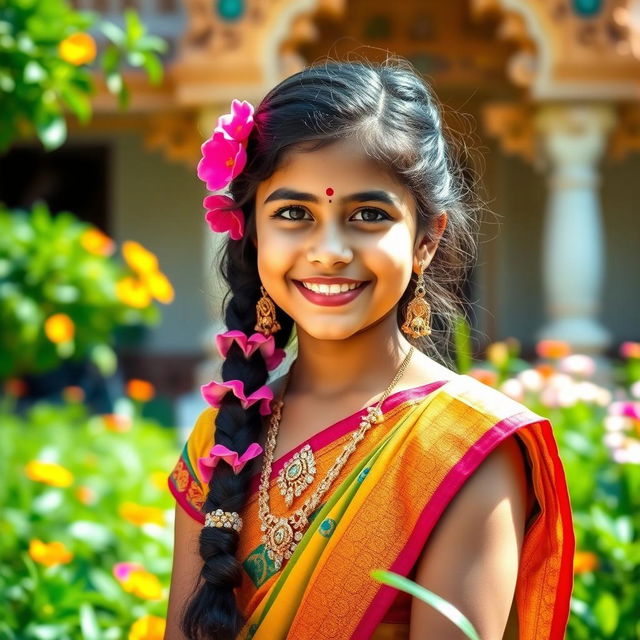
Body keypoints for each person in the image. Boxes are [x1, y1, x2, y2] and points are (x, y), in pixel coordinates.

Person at [165, 58, 574, 640]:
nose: (329, 250)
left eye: (367, 215)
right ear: (252, 231)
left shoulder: (464, 448)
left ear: (425, 241)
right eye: (293, 213)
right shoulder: (220, 441)